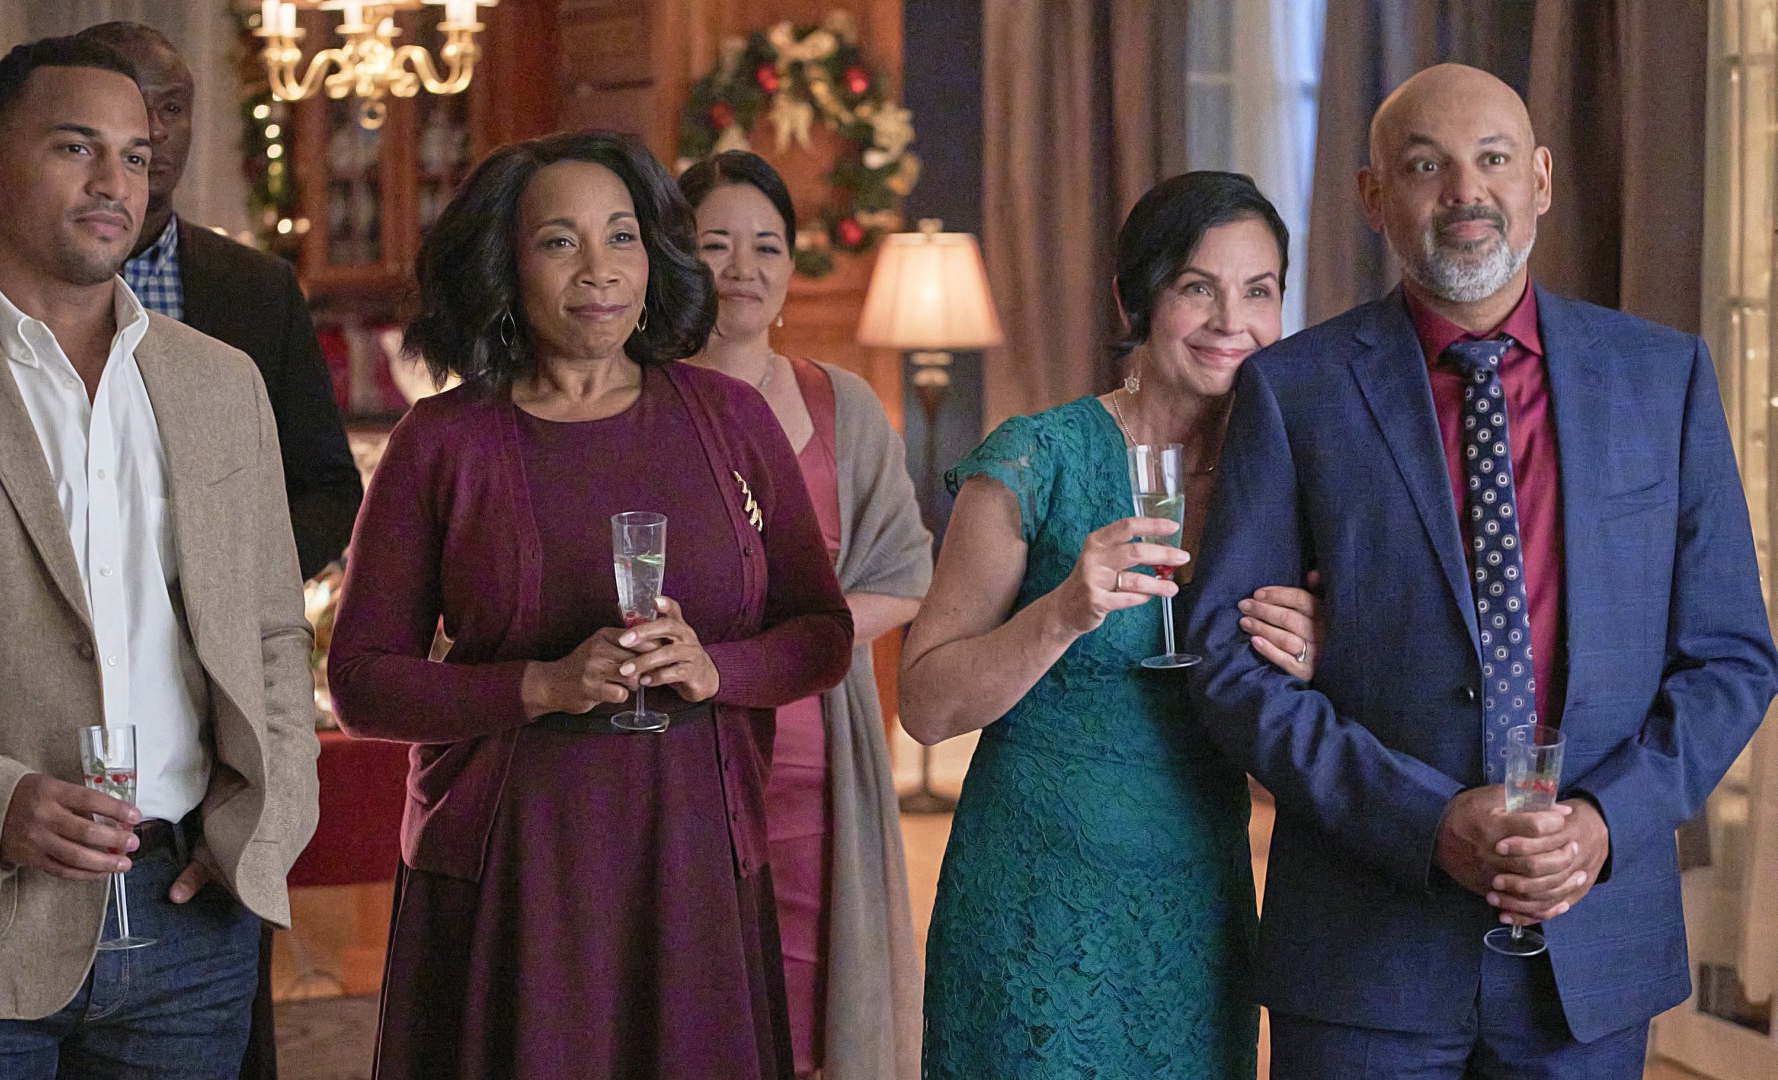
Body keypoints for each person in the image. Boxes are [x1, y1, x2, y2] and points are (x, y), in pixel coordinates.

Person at [1186, 64, 1778, 1078]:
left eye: (1493, 159)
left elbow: (1731, 658)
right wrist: (1424, 821)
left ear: (1539, 179)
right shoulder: (1294, 390)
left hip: (1592, 947)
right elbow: (1227, 665)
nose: (1467, 191)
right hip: (1365, 952)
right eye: (1428, 166)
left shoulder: (1662, 377)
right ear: (1373, 197)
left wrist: (1605, 823)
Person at [326, 130, 854, 1080]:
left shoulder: (730, 420)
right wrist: (539, 686)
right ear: (507, 266)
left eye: (621, 237)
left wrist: (717, 668)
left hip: (693, 854)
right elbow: (361, 684)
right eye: (559, 242)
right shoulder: (441, 442)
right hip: (512, 868)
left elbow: (823, 635)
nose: (599, 269)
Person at [0, 35, 320, 1079]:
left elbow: (270, 631)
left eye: (135, 156)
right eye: (76, 147)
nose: (115, 181)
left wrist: (266, 826)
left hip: (188, 922)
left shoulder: (222, 383)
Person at [898, 171, 1321, 1078]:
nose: (1231, 320)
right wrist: (1061, 614)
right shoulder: (1036, 459)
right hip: (1035, 906)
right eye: (1197, 287)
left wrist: (1320, 656)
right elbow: (925, 706)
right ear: (1136, 298)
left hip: (1197, 911)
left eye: (1258, 292)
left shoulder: (1290, 483)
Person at [0, 21, 362, 583]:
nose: (154, 130)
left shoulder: (260, 291)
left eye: (170, 108)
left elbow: (327, 488)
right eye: (80, 145)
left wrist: (228, 591)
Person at [679, 150, 934, 1080]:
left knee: (811, 989)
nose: (742, 267)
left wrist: (780, 651)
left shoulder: (844, 405)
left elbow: (906, 575)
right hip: (677, 739)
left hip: (817, 743)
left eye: (766, 245)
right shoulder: (637, 398)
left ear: (791, 266)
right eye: (715, 243)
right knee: (690, 977)